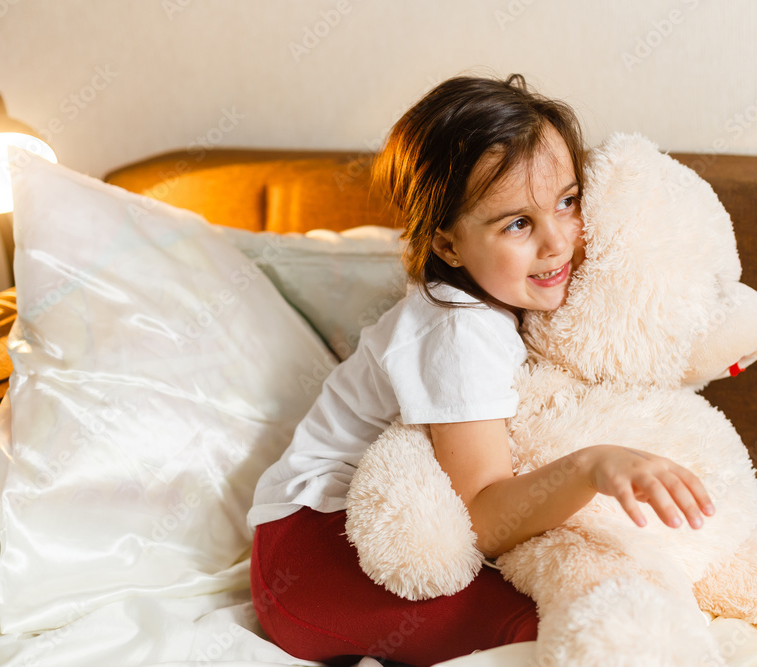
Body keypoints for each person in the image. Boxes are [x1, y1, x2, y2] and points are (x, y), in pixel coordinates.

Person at [248, 73, 715, 667]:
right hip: (315, 555)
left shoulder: (518, 292)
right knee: (545, 626)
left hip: (372, 536)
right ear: (446, 244)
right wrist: (594, 464)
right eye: (517, 223)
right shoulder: (457, 330)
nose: (558, 242)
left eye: (567, 202)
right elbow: (483, 519)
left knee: (607, 590)